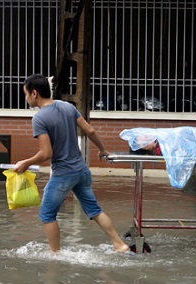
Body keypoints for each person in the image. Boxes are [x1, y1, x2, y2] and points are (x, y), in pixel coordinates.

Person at [14, 74, 130, 254]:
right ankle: (119, 244)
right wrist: (103, 149)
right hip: (81, 170)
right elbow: (90, 130)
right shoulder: (67, 106)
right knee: (94, 209)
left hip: (63, 173)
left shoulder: (39, 119)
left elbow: (46, 153)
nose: (26, 98)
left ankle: (55, 255)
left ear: (34, 93)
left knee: (46, 215)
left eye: (26, 94)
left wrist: (26, 163)